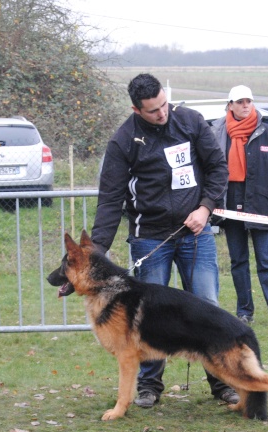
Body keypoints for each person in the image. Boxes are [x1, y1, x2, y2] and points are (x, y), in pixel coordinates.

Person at [91, 72, 237, 408]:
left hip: (196, 233)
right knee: (150, 317)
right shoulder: (124, 140)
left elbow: (217, 168)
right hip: (149, 239)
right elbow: (111, 197)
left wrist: (205, 207)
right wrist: (97, 250)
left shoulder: (190, 121)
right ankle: (149, 386)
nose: (162, 113)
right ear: (136, 109)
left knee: (207, 307)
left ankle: (223, 383)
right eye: (153, 110)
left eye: (163, 105)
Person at [212, 85, 268, 328]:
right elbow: (212, 172)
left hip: (261, 206)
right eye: (240, 101)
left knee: (267, 260)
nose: (245, 105)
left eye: (249, 100)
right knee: (238, 261)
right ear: (230, 105)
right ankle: (244, 311)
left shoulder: (267, 132)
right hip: (230, 207)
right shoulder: (218, 132)